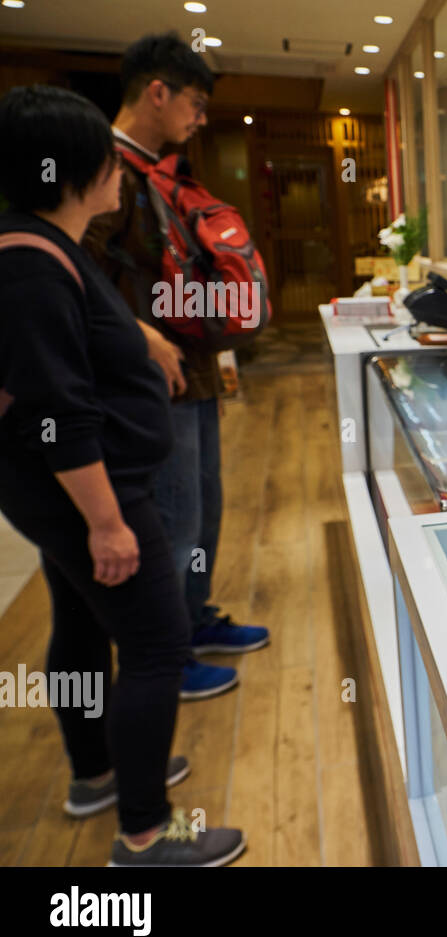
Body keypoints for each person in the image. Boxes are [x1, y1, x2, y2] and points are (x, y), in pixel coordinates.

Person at [0, 84, 246, 866]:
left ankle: (99, 772)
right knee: (155, 642)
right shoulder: (30, 264)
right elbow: (57, 412)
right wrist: (106, 522)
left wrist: (140, 339)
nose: (122, 171)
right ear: (73, 169)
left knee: (79, 623)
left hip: (66, 492)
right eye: (108, 159)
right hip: (87, 493)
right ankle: (145, 830)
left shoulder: (44, 244)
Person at [84, 33, 269, 701]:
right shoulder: (105, 166)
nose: (199, 117)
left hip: (189, 373)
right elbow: (75, 272)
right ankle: (167, 650)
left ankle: (192, 620)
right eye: (193, 102)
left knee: (204, 506)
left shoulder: (157, 171)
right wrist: (140, 337)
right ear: (156, 92)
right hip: (148, 381)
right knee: (173, 515)